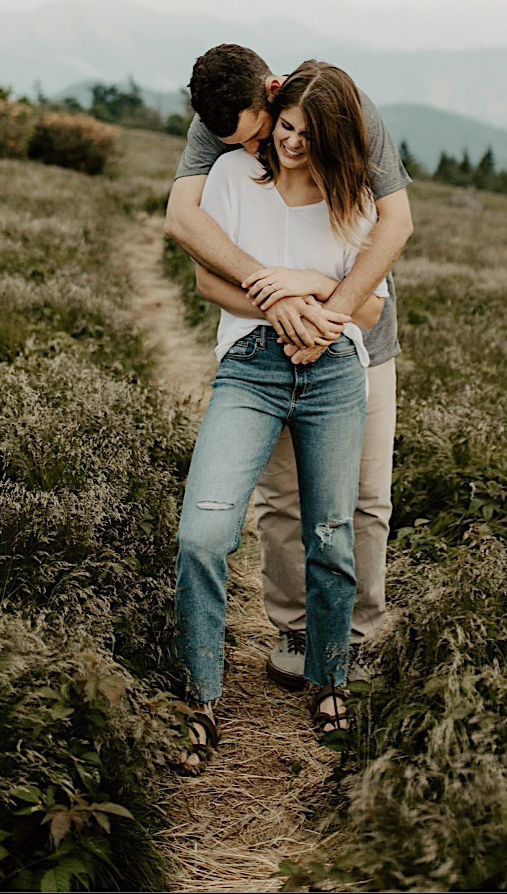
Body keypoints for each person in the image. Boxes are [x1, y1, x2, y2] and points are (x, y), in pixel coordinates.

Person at [164, 44, 413, 692]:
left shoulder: (348, 117)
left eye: (260, 134)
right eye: (245, 144)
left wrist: (325, 313)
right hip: (270, 342)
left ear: (273, 93)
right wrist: (275, 297)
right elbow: (182, 218)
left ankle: (354, 637)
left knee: (363, 499)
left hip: (357, 338)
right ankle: (295, 626)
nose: (260, 150)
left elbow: (397, 224)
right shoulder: (224, 132)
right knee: (281, 497)